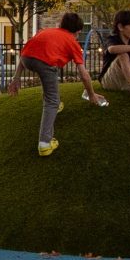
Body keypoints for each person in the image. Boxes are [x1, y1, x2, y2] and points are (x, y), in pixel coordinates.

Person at [20, 13, 104, 156]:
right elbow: (83, 74)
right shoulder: (72, 42)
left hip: (26, 59)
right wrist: (91, 95)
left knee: (50, 88)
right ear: (78, 31)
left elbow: (27, 51)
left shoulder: (45, 31)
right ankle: (44, 144)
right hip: (45, 63)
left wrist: (16, 79)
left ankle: (56, 105)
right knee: (51, 101)